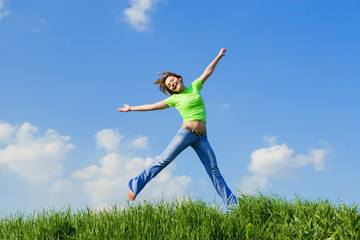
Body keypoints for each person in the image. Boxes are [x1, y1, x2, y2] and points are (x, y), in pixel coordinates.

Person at [117, 48, 237, 206]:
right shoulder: (175, 99)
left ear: (179, 78)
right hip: (186, 134)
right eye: (168, 86)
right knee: (164, 160)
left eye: (172, 81)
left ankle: (233, 206)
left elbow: (208, 71)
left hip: (202, 137)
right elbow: (152, 106)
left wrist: (218, 57)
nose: (171, 84)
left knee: (214, 171)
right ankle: (135, 186)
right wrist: (131, 108)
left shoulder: (195, 87)